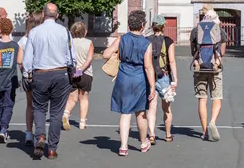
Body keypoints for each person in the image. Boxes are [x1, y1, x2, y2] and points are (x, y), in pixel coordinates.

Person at [23, 3, 77, 160]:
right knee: (56, 113)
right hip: (60, 73)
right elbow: (71, 56)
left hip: (40, 73)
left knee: (39, 108)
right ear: (57, 15)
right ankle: (52, 148)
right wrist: (72, 71)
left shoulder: (34, 32)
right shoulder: (64, 32)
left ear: (43, 14)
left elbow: (28, 57)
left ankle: (40, 135)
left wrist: (27, 74)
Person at [103, 10, 156, 156]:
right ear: (142, 25)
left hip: (123, 78)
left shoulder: (121, 39)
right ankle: (144, 142)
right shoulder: (146, 43)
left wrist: (117, 54)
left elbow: (105, 54)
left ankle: (123, 146)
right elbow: (148, 66)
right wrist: (152, 86)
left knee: (125, 112)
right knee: (140, 112)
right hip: (139, 79)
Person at [189, 9, 227, 142]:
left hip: (199, 68)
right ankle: (213, 121)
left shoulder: (195, 30)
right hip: (215, 67)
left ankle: (204, 131)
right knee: (216, 98)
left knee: (202, 99)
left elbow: (193, 50)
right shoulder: (220, 31)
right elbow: (222, 52)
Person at [146, 15, 178, 143]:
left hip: (150, 76)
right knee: (167, 108)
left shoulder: (146, 40)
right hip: (163, 76)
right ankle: (168, 134)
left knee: (152, 106)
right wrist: (175, 78)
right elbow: (172, 61)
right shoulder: (168, 41)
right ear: (163, 26)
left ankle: (152, 135)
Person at [16, 10, 44, 146]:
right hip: (41, 75)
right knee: (41, 106)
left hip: (27, 76)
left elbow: (19, 60)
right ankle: (40, 134)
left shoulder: (23, 39)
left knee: (30, 105)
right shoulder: (42, 37)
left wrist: (25, 72)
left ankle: (28, 132)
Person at [62, 21, 95, 131]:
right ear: (85, 32)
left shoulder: (69, 43)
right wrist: (81, 69)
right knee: (84, 97)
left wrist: (74, 70)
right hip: (85, 73)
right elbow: (89, 59)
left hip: (72, 72)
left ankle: (66, 114)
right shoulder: (89, 42)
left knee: (72, 97)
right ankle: (82, 122)